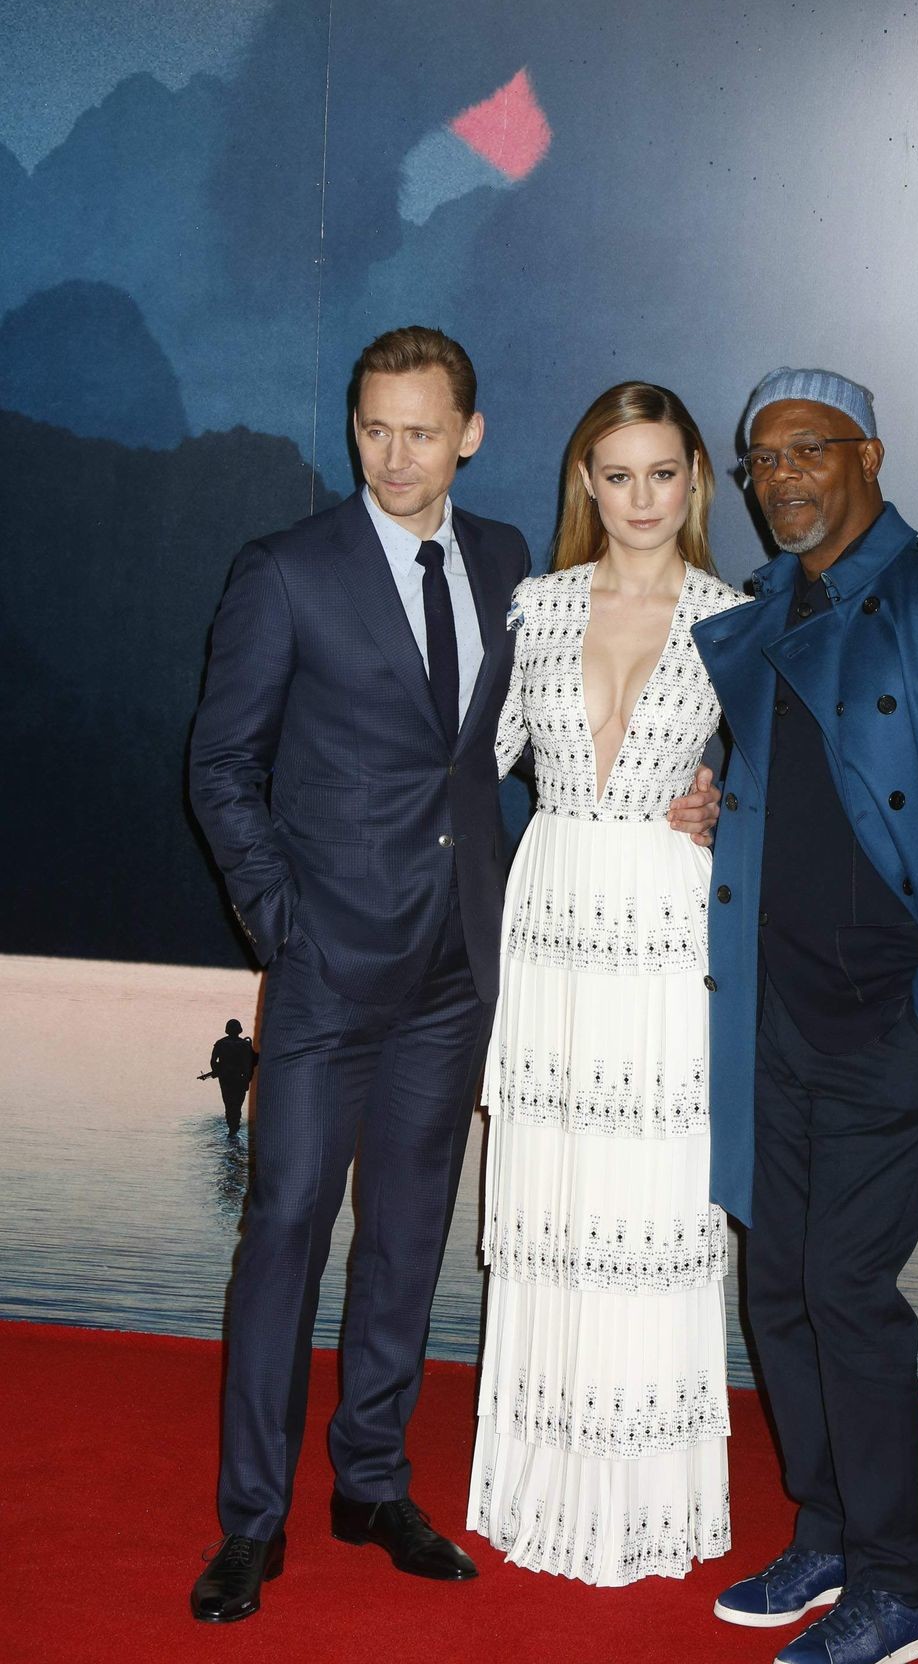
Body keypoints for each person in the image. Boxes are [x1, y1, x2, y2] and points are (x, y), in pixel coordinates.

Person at [186, 323, 724, 1624]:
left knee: (410, 1234)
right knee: (285, 1230)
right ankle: (252, 1519)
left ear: (469, 436)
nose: (396, 455)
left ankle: (370, 1481)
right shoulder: (287, 571)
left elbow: (510, 750)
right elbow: (221, 766)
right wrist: (282, 923)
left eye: (423, 432)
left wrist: (702, 792)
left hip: (461, 968)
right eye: (375, 429)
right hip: (327, 964)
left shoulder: (502, 564)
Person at [692, 367, 918, 1664]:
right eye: (762, 459)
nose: (781, 476)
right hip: (775, 1011)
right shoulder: (766, 612)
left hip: (889, 1021)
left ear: (870, 455)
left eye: (810, 449)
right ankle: (830, 1532)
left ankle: (897, 1587)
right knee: (778, 1285)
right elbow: (794, 795)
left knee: (846, 1289)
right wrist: (716, 808)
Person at [466, 382, 749, 1585]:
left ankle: (647, 1502)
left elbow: (786, 786)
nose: (641, 499)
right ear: (586, 480)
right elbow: (465, 762)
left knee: (654, 1198)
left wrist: (725, 806)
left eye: (661, 474)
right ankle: (540, 1487)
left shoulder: (737, 621)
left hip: (666, 931)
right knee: (558, 1200)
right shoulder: (535, 606)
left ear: (694, 481)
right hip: (551, 921)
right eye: (617, 475)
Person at [201, 1018, 258, 1138]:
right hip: (241, 1079)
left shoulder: (220, 1043)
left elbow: (213, 1061)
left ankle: (232, 1128)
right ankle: (234, 1127)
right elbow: (254, 1061)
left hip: (225, 1079)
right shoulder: (245, 1044)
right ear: (240, 1030)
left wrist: (216, 1071)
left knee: (228, 1104)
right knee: (237, 1105)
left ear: (227, 1030)